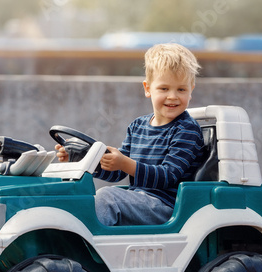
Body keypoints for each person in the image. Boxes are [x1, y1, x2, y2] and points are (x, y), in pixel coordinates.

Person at [56, 43, 205, 226]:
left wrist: (126, 163)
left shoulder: (186, 130)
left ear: (191, 90)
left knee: (108, 198)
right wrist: (82, 158)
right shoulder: (137, 126)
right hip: (139, 201)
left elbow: (168, 176)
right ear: (148, 88)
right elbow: (117, 172)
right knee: (80, 196)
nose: (173, 96)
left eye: (181, 89)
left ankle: (81, 243)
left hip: (168, 208)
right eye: (164, 89)